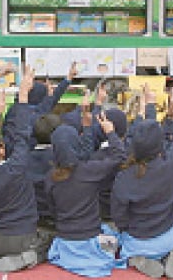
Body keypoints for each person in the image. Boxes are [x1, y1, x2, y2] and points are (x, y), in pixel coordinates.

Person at [0, 70, 52, 273]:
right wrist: (22, 96)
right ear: (2, 149)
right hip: (25, 237)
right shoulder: (17, 167)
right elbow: (23, 134)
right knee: (50, 241)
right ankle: (26, 258)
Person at [111, 89, 173, 279]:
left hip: (138, 237)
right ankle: (172, 252)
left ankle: (139, 259)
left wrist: (149, 107)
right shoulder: (171, 163)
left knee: (116, 239)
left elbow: (119, 215)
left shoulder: (125, 176)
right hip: (168, 232)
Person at [46, 112, 127, 278]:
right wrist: (110, 132)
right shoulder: (89, 170)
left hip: (65, 241)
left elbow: (52, 209)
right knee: (118, 241)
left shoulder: (50, 178)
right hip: (91, 238)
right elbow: (119, 156)